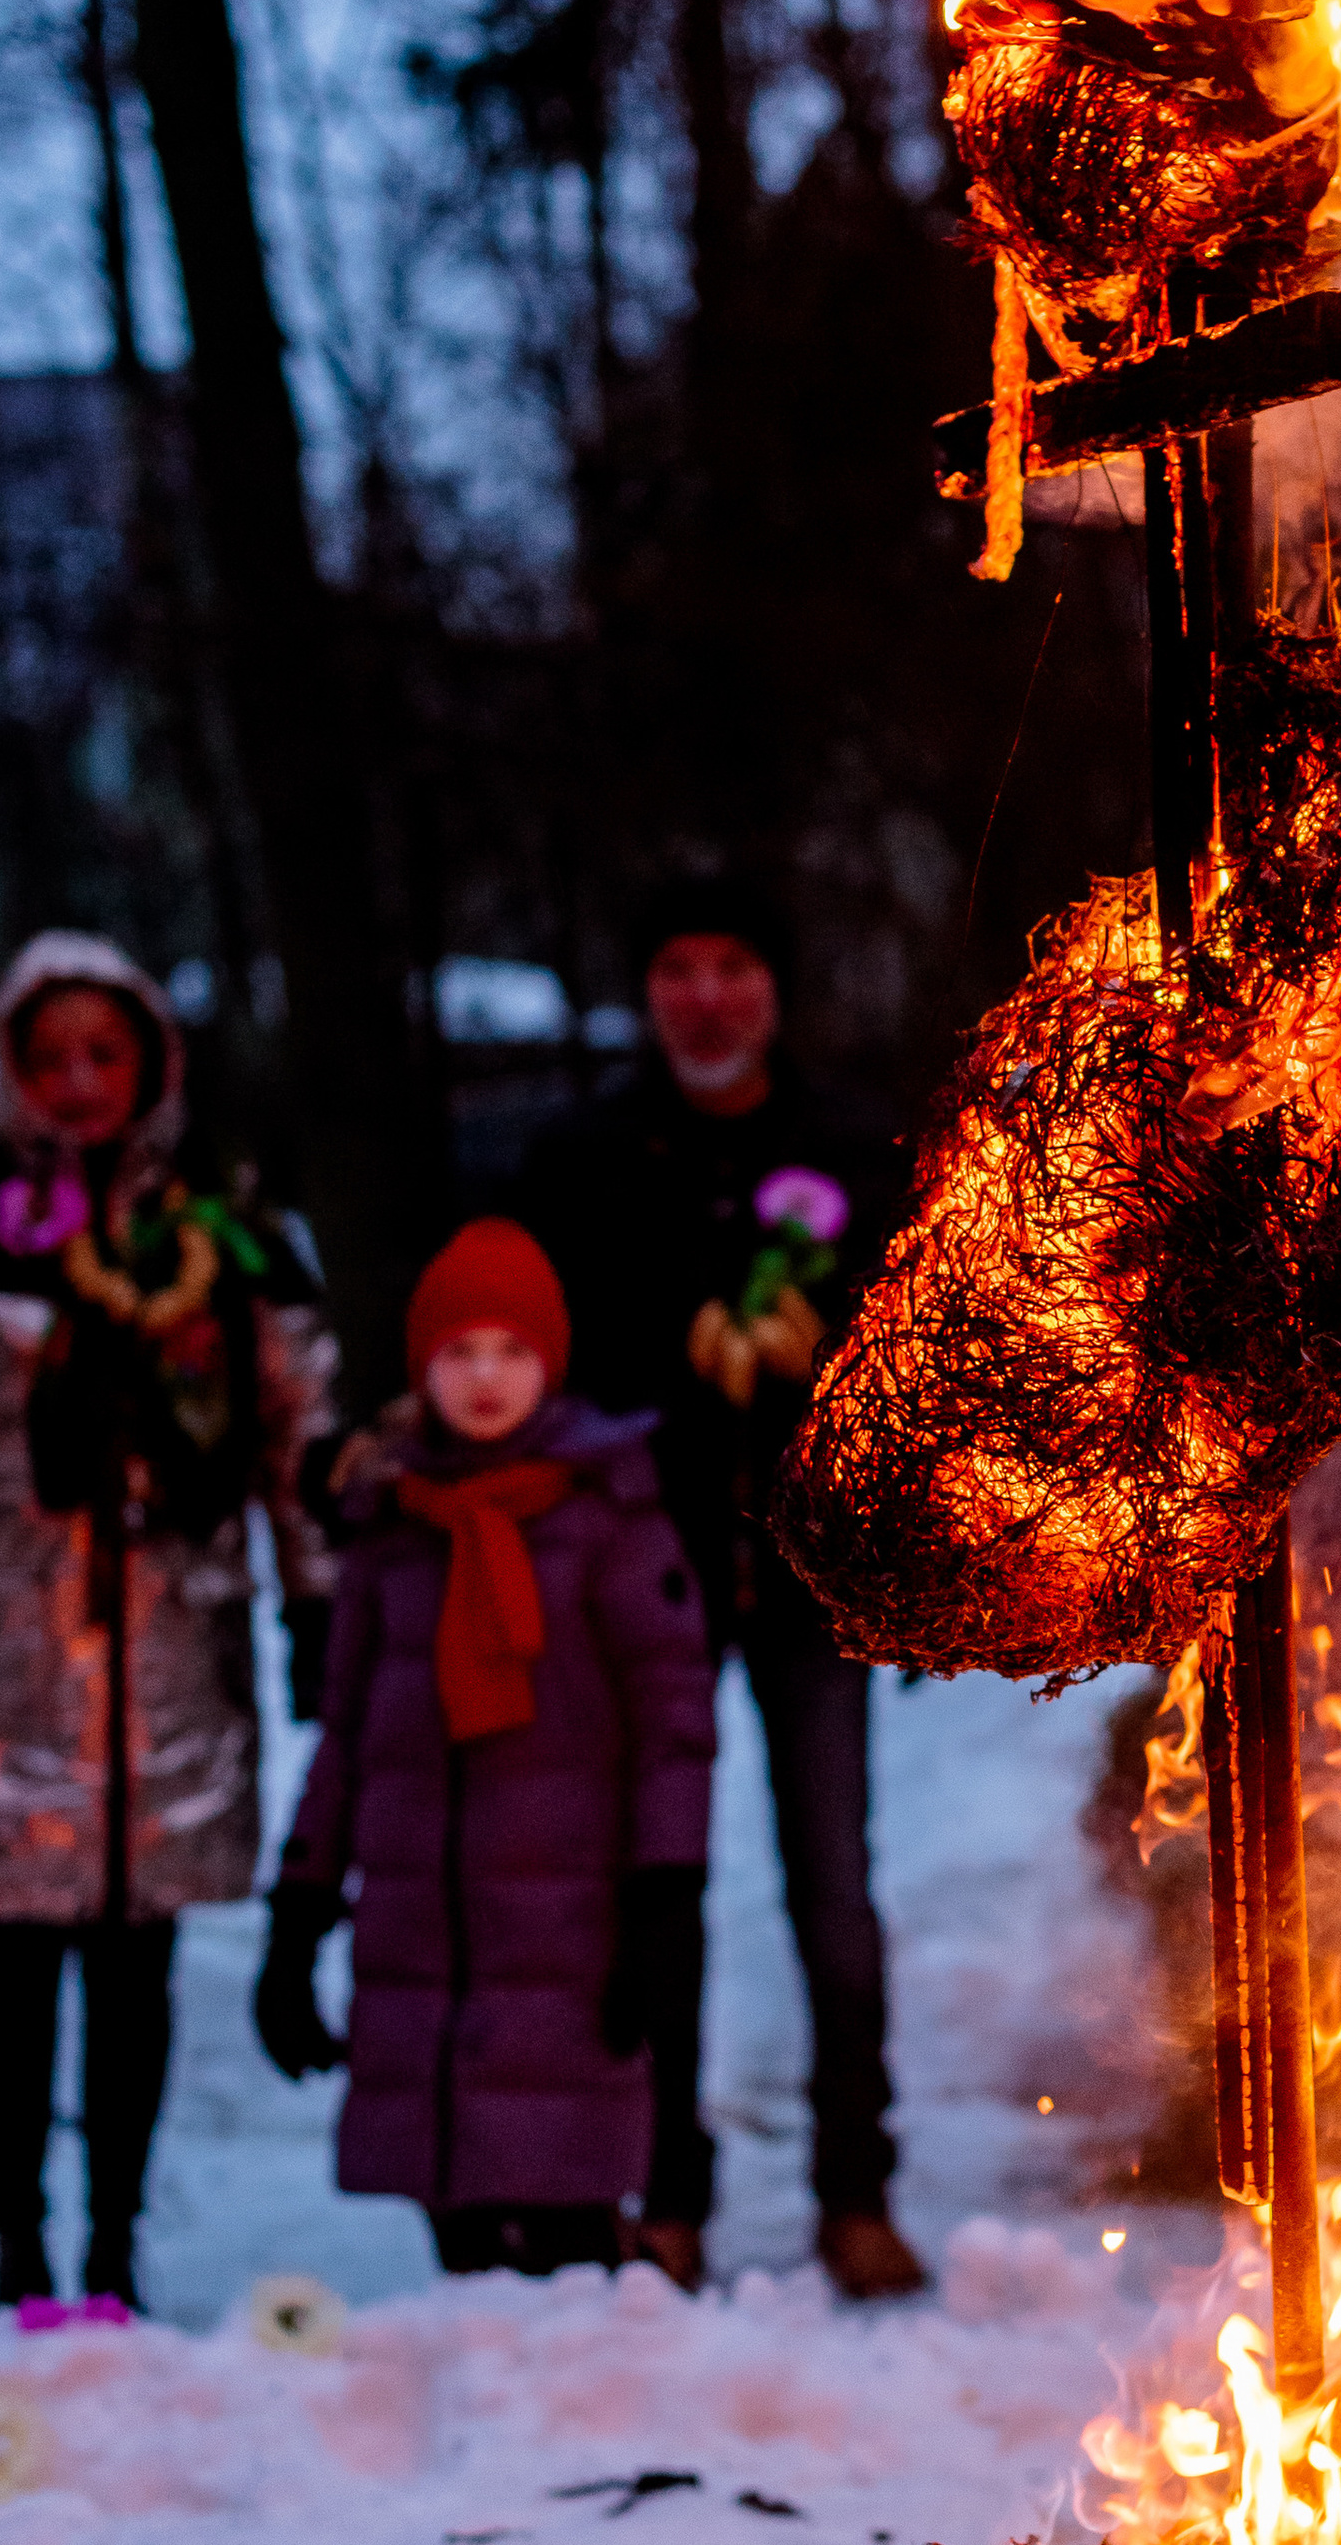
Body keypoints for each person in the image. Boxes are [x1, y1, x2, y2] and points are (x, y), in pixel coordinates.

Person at [0, 932, 341, 2312]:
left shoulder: (226, 1225)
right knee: (3, 1973)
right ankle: (18, 2252)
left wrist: (315, 1592)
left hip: (165, 1670)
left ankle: (114, 2254)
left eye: (107, 1052)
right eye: (52, 1055)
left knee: (135, 1967)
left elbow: (296, 1425)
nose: (82, 1082)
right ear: (12, 1069)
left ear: (152, 1061)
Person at [517, 877, 921, 2300]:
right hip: (648, 1583)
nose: (706, 993)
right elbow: (538, 1359)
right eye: (677, 965)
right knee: (659, 1892)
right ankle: (664, 2192)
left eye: (732, 962)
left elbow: (915, 1362)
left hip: (813, 1580)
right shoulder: (577, 1153)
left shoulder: (853, 1144)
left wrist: (909, 1555)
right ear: (647, 991)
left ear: (773, 985)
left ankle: (857, 2192)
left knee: (834, 1888)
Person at [253, 1218, 717, 2277]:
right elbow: (345, 1742)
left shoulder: (609, 1512)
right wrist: (299, 1914)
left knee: (563, 2225)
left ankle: (591, 2413)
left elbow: (671, 1726)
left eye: (510, 1350)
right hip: (427, 1947)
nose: (485, 1378)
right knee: (461, 2226)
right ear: (422, 1369)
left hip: (570, 1935)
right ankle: (488, 2416)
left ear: (549, 1361)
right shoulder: (390, 1524)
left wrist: (664, 1902)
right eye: (459, 1352)